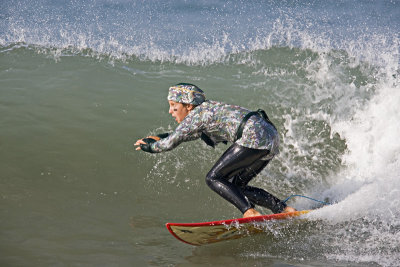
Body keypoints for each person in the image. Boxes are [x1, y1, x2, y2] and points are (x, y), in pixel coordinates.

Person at [134, 83, 296, 218]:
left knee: (213, 178)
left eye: (174, 106)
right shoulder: (207, 109)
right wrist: (158, 137)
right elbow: (184, 135)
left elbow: (170, 143)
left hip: (252, 135)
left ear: (188, 106)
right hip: (270, 135)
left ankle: (250, 212)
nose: (170, 111)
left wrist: (148, 147)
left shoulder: (196, 115)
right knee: (237, 187)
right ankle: (283, 209)